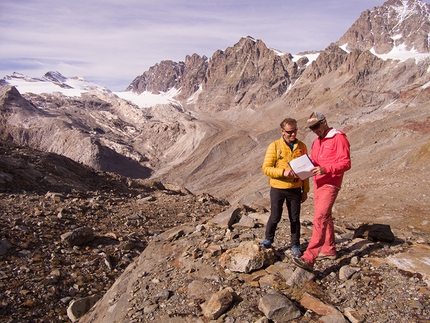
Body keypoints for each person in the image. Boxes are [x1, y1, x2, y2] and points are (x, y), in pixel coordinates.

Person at [293, 112, 351, 271]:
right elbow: (316, 161)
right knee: (325, 216)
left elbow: (346, 163)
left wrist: (326, 169)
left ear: (324, 122)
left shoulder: (338, 138)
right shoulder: (317, 141)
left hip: (331, 183)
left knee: (319, 218)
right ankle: (329, 249)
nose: (315, 130)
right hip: (318, 183)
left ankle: (309, 257)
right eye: (312, 128)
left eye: (317, 126)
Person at [261, 117, 310, 258]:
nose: (293, 134)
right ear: (282, 131)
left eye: (295, 130)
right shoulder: (274, 146)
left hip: (295, 188)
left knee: (294, 218)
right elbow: (266, 168)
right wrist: (283, 173)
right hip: (278, 188)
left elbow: (306, 170)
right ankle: (268, 240)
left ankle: (295, 244)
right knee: (275, 216)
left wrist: (305, 190)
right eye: (289, 132)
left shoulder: (302, 146)